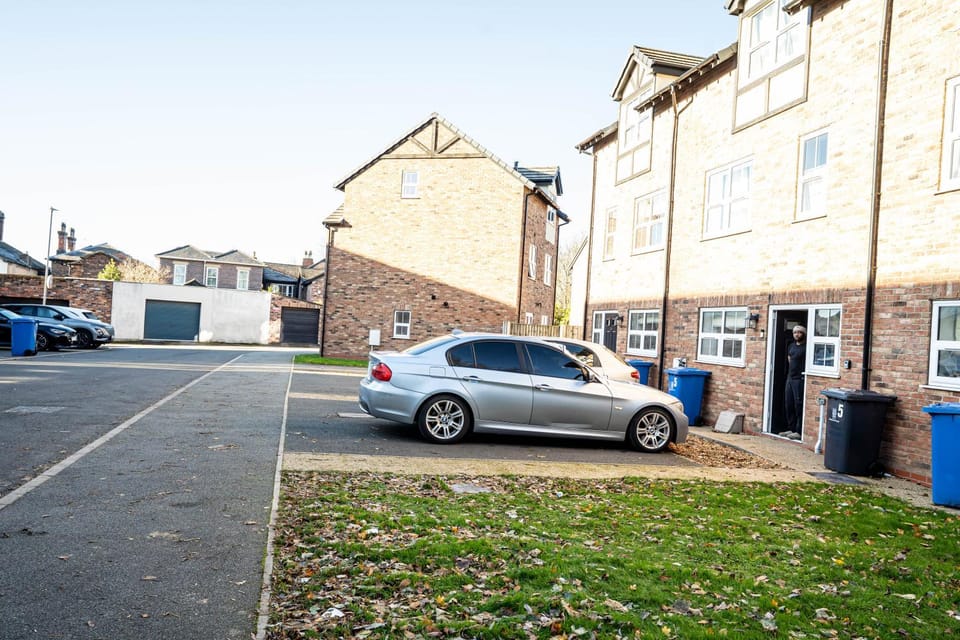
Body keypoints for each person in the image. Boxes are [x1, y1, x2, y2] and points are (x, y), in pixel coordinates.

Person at [784, 325, 807, 438]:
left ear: (803, 334)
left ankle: (798, 431)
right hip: (790, 378)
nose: (797, 334)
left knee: (798, 405)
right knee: (789, 404)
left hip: (799, 379)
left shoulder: (806, 347)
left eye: (799, 332)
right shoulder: (791, 346)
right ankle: (791, 428)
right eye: (795, 333)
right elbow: (790, 359)